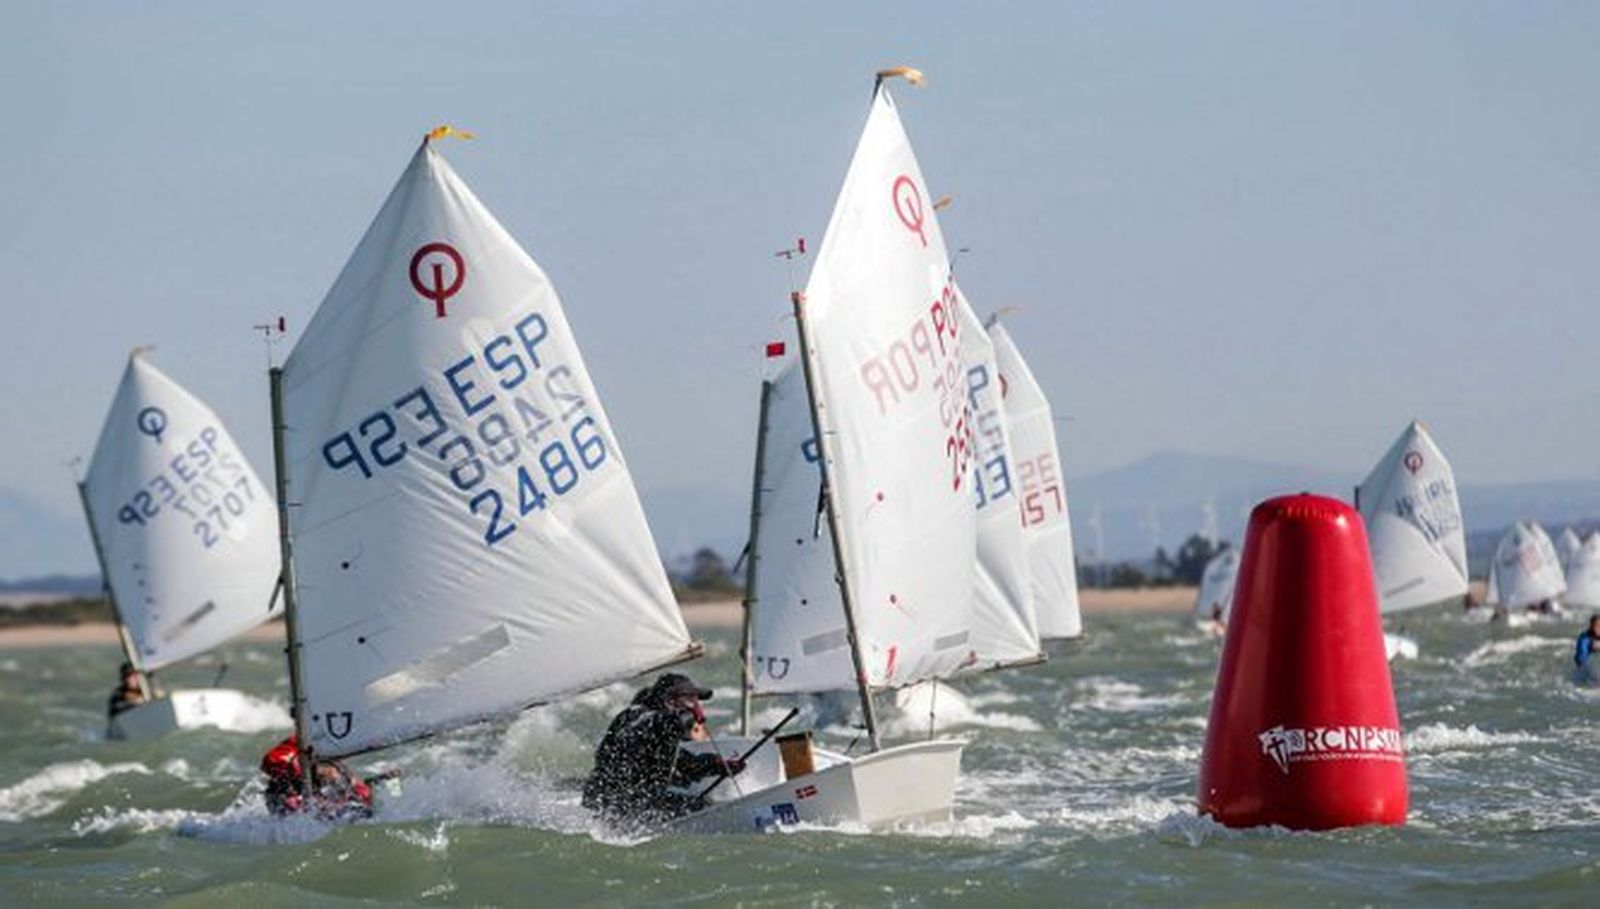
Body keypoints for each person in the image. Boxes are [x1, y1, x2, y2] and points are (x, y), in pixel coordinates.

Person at [581, 673, 744, 825]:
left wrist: (715, 765)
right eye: (689, 700)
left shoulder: (662, 732)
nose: (695, 706)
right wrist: (680, 718)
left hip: (633, 800)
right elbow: (650, 725)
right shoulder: (636, 715)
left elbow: (682, 764)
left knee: (701, 803)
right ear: (670, 700)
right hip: (613, 801)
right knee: (699, 807)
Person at [260, 735, 375, 820]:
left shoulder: (339, 772)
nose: (334, 778)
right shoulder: (289, 769)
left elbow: (362, 796)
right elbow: (294, 807)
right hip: (287, 792)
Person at [1575, 613, 1600, 682]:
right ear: (1591, 626)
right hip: (1587, 668)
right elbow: (1581, 655)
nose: (1598, 628)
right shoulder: (1585, 638)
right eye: (1596, 625)